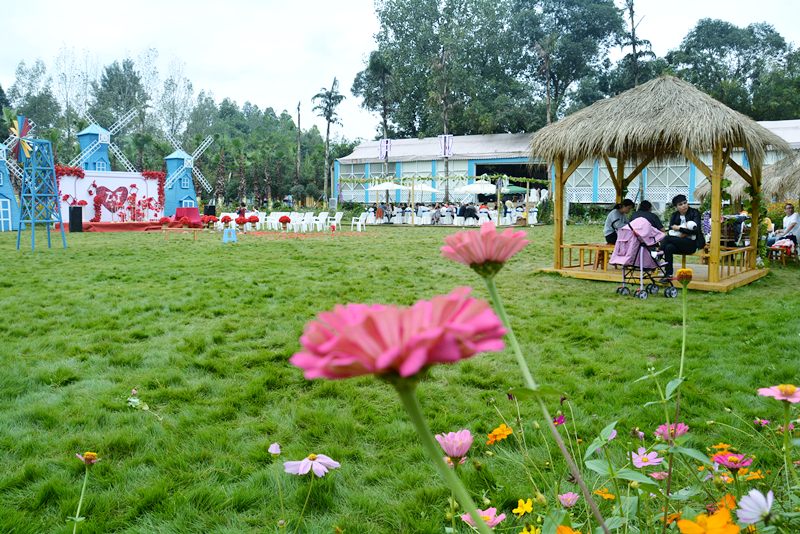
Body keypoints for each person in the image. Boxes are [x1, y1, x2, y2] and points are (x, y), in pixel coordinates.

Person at [658, 194, 706, 281]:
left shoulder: (694, 212)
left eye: (685, 203)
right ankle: (668, 274)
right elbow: (671, 231)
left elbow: (696, 230)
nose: (684, 206)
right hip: (678, 242)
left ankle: (657, 257)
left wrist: (680, 229)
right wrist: (685, 231)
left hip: (691, 244)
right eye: (680, 204)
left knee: (667, 238)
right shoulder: (674, 215)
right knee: (668, 247)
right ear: (676, 207)